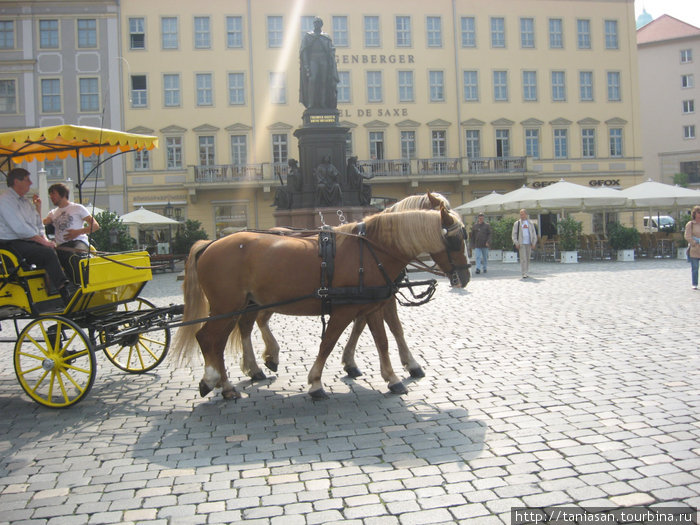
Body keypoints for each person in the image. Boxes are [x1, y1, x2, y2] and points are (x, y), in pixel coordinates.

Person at [0, 168, 71, 303]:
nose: (31, 183)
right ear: (17, 181)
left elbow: (37, 224)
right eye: (27, 180)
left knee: (56, 251)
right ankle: (63, 292)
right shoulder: (5, 201)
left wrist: (43, 238)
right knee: (47, 253)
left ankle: (61, 287)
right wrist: (43, 242)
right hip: (10, 244)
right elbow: (20, 228)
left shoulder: (25, 202)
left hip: (26, 241)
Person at [43, 182, 100, 284]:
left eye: (53, 193)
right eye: (50, 194)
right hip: (61, 246)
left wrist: (78, 232)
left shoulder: (77, 208)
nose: (51, 197)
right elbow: (40, 224)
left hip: (78, 242)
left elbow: (95, 226)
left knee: (74, 256)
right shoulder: (53, 213)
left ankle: (83, 284)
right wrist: (38, 207)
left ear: (63, 194)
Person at [299, 17, 339, 110]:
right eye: (315, 23)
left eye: (318, 23)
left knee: (324, 82)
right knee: (312, 80)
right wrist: (306, 65)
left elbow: (331, 49)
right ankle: (311, 103)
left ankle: (323, 103)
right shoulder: (308, 36)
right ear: (313, 24)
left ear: (321, 24)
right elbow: (304, 51)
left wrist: (331, 54)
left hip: (324, 60)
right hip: (313, 59)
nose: (317, 24)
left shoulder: (326, 36)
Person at [512, 208, 538, 279]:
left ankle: (526, 271)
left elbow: (534, 233)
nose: (521, 216)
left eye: (523, 214)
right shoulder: (517, 223)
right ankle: (524, 273)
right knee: (523, 258)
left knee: (528, 258)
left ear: (526, 215)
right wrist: (516, 243)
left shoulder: (530, 223)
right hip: (521, 243)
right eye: (520, 214)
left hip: (529, 243)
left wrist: (534, 242)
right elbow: (514, 234)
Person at [684, 205, 700, 289]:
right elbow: (687, 236)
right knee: (695, 267)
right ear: (695, 214)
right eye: (698, 213)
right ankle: (695, 283)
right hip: (694, 249)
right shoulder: (690, 224)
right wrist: (694, 242)